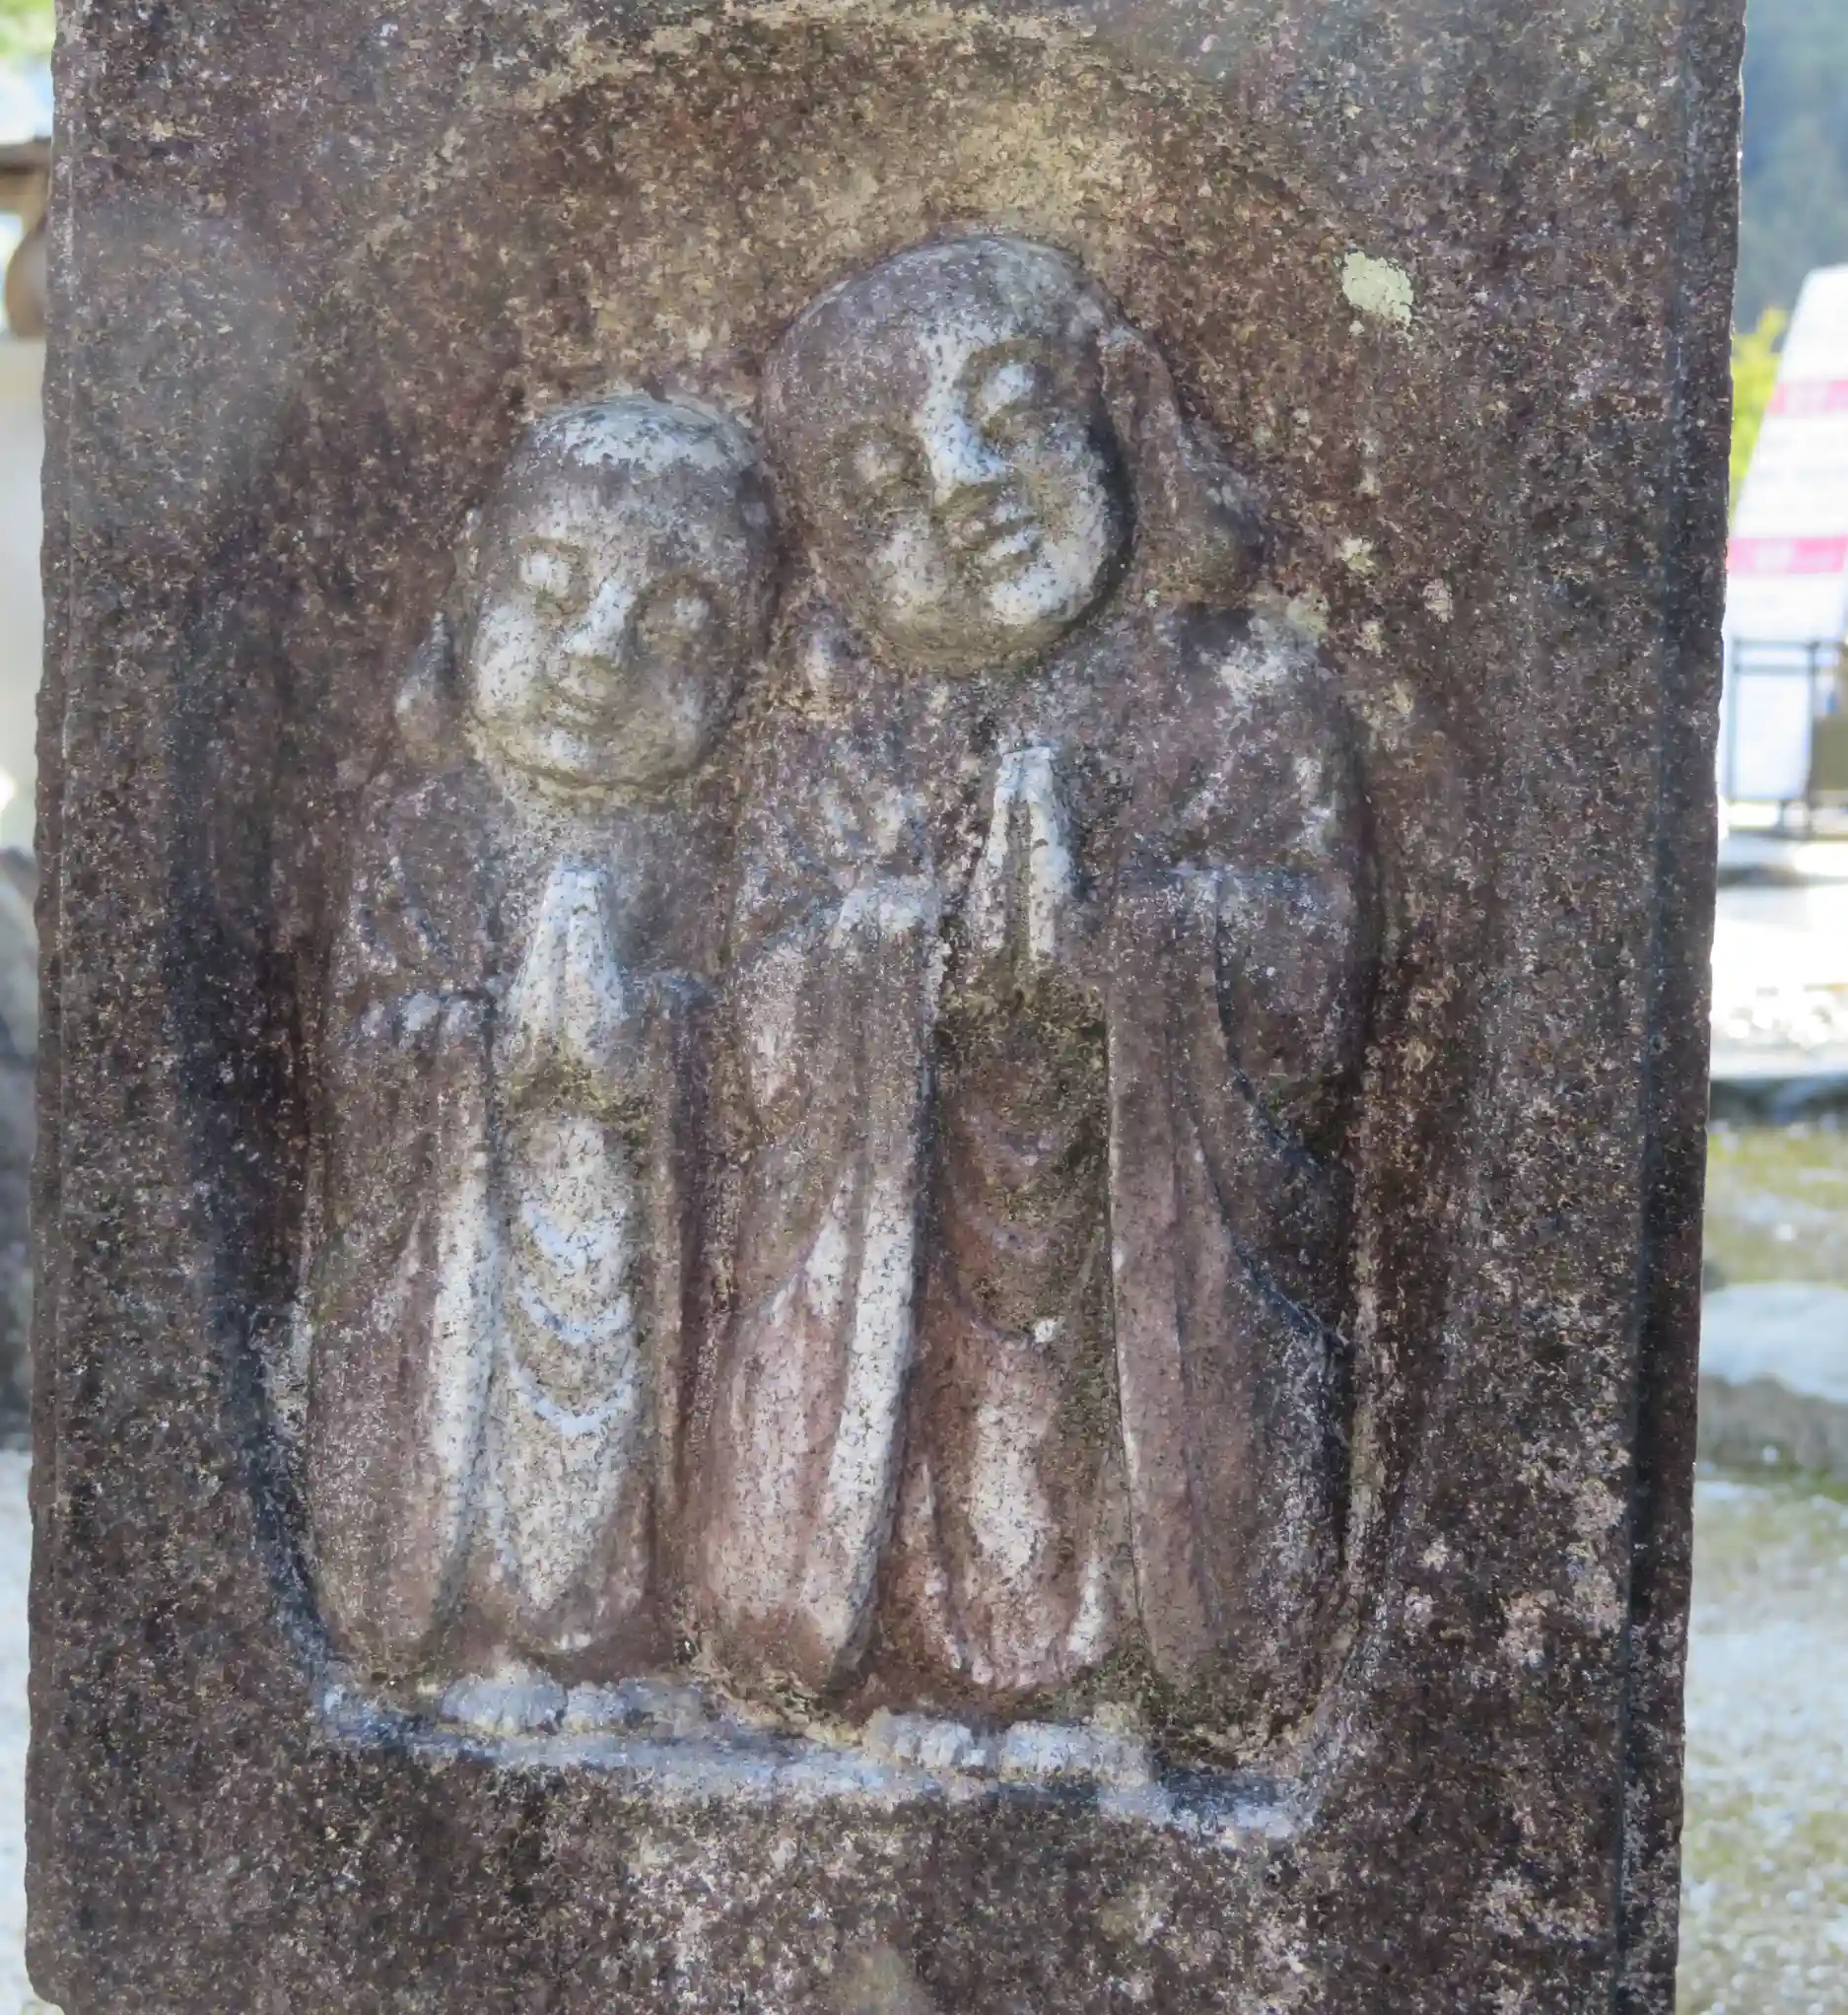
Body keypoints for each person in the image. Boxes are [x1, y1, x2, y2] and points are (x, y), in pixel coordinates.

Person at [697, 236, 1373, 1732]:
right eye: (882, 489)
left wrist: (1136, 952)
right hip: (912, 1255)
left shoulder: (1246, 697)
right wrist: (900, 963)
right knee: (942, 1433)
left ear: (1116, 410)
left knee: (1131, 1447)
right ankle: (909, 1671)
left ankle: (1157, 1697)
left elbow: (1317, 1008)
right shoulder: (839, 753)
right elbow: (755, 1043)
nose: (964, 490)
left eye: (1007, 416)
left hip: (1161, 1270)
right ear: (827, 556)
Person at [307, 391, 774, 1690]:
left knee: (646, 1420)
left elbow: (764, 1086)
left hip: (640, 1250)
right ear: (473, 578)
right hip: (469, 1256)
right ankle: (465, 1635)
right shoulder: (431, 832)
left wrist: (657, 1048)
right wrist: (477, 1056)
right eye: (553, 592)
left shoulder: (714, 853)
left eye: (672, 626)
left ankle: (636, 1639)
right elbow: (365, 1064)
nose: (596, 654)